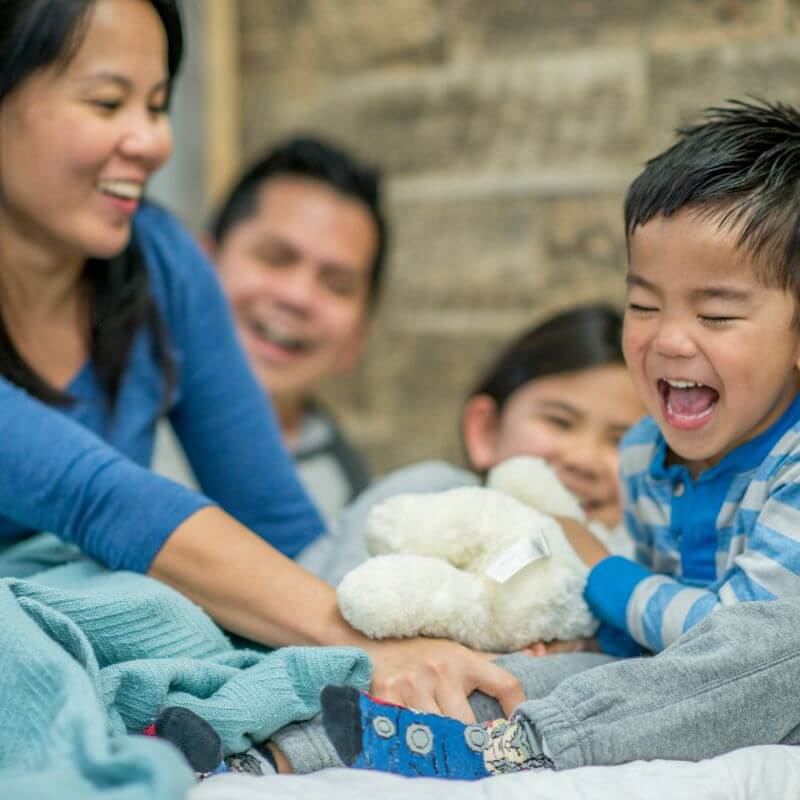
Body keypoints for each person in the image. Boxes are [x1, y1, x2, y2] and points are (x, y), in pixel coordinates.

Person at [0, 0, 524, 722]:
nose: (153, 142)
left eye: (156, 107)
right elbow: (96, 496)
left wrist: (439, 633)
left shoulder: (162, 265)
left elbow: (281, 527)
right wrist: (355, 645)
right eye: (108, 102)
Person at [319, 98, 800, 780]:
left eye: (717, 314)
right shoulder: (641, 452)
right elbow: (653, 630)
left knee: (788, 643)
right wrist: (585, 629)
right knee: (517, 672)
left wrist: (598, 571)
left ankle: (536, 744)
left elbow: (735, 639)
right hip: (662, 685)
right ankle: (299, 743)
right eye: (643, 304)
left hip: (771, 685)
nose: (668, 338)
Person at [266, 304, 643, 774]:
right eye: (559, 422)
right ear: (485, 429)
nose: (584, 458)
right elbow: (342, 605)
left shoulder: (632, 560)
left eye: (621, 441)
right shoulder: (431, 492)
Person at [155, 137, 385, 522]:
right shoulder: (108, 424)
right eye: (275, 258)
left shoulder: (357, 511)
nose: (297, 297)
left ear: (358, 336)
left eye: (337, 285)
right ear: (201, 264)